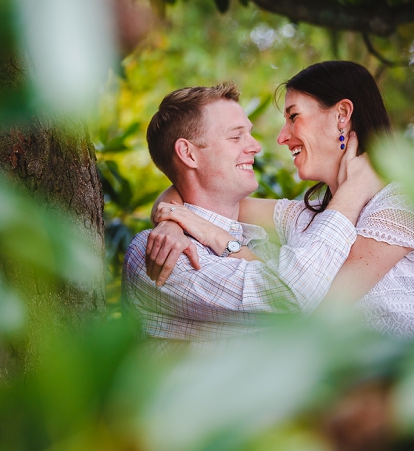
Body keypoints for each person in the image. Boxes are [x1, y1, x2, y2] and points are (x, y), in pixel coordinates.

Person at [147, 61, 414, 338]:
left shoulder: (401, 205)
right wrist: (170, 225)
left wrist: (216, 236)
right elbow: (205, 198)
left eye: (293, 116)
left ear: (342, 114)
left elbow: (313, 312)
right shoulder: (305, 217)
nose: (281, 137)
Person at [122, 81, 384, 344]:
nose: (256, 146)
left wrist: (172, 216)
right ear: (188, 154)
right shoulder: (160, 254)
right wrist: (355, 189)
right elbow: (290, 297)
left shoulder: (260, 238)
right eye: (236, 137)